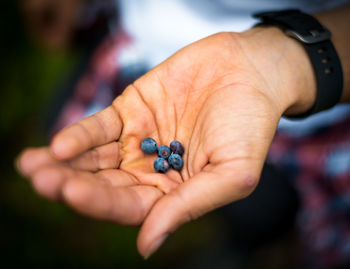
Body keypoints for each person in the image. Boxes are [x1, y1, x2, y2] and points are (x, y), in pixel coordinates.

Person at [17, 1, 350, 267]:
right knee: (63, 135)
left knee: (262, 212)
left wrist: (293, 63)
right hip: (142, 41)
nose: (167, 157)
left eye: (167, 156)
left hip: (302, 98)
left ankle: (248, 245)